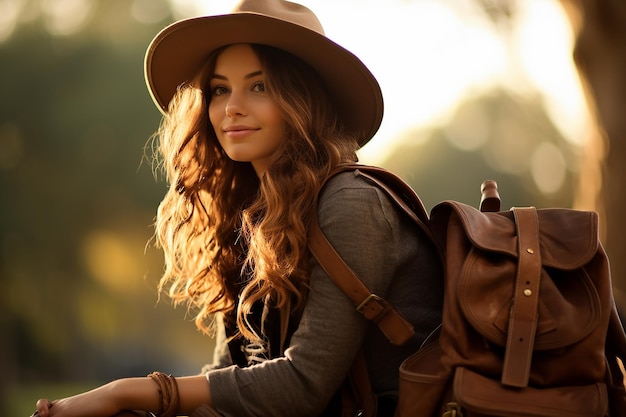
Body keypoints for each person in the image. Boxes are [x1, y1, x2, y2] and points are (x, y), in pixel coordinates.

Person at [32, 1, 442, 416]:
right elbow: (230, 373)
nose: (232, 107)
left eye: (259, 86)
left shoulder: (352, 203)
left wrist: (125, 393)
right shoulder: (251, 216)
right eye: (220, 89)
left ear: (304, 99)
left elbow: (302, 386)